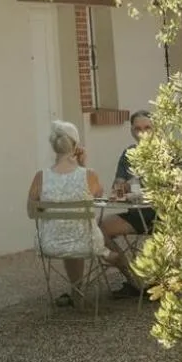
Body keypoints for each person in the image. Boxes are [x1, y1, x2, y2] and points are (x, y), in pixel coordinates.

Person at [26, 120, 120, 306]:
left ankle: (77, 293)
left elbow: (31, 212)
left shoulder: (41, 176)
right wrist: (83, 165)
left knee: (72, 238)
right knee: (112, 251)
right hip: (87, 243)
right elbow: (99, 196)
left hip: (50, 244)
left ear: (54, 146)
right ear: (76, 146)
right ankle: (135, 279)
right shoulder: (88, 175)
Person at [101, 109, 156, 298]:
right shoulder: (128, 154)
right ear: (132, 131)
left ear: (155, 129)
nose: (142, 133)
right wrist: (126, 184)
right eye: (137, 129)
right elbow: (117, 188)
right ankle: (134, 279)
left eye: (147, 128)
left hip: (163, 215)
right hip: (136, 214)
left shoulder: (167, 153)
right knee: (100, 229)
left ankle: (163, 282)